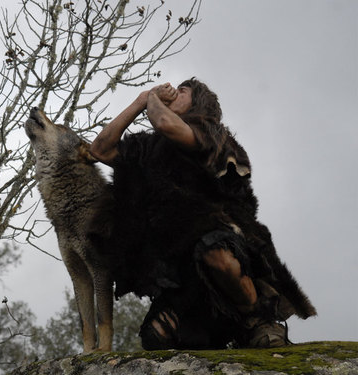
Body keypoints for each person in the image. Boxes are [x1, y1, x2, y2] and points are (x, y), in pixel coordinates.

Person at [90, 78, 316, 349]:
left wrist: (154, 99)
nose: (174, 92)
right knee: (156, 336)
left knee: (216, 255)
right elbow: (100, 149)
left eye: (182, 91)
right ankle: (211, 332)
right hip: (175, 263)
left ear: (198, 103)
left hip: (216, 233)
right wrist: (141, 99)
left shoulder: (212, 133)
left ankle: (257, 320)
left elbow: (165, 123)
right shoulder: (147, 147)